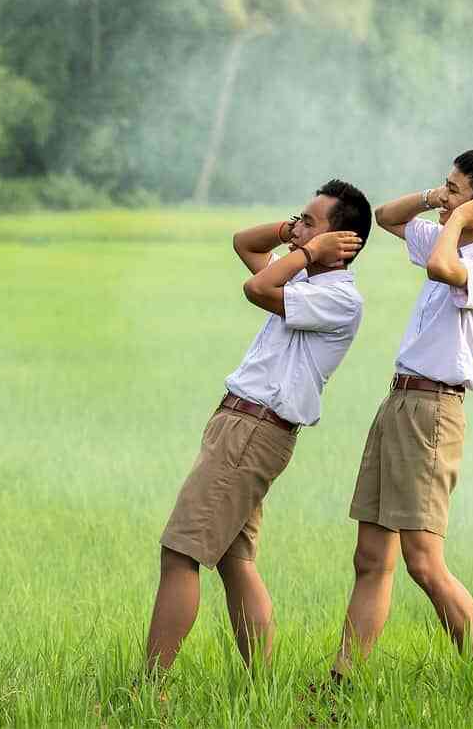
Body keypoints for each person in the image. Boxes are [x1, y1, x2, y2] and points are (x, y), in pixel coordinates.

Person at [145, 180, 371, 672]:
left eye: (311, 221)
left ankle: (147, 691)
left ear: (342, 241)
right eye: (298, 219)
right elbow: (244, 243)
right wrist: (297, 232)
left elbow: (256, 287)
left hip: (253, 430)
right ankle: (262, 688)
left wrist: (308, 250)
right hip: (241, 425)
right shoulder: (305, 282)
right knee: (234, 560)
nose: (296, 230)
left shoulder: (338, 298)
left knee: (180, 554)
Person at [331, 148, 473, 678]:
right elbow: (387, 217)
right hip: (399, 402)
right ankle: (342, 681)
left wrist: (457, 218)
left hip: (434, 410)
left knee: (424, 563)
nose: (444, 196)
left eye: (455, 188)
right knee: (370, 558)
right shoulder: (446, 233)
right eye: (446, 186)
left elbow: (441, 266)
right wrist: (439, 200)